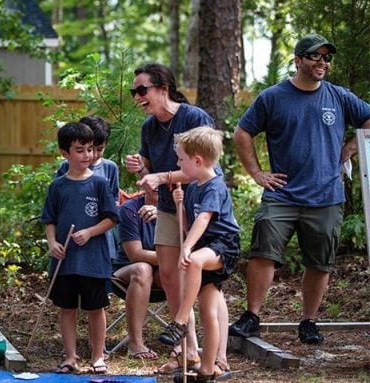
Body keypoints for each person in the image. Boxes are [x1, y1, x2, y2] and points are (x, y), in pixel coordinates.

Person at [230, 33, 370, 345]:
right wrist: (256, 173)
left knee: (319, 262)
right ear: (298, 60)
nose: (322, 62)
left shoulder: (339, 96)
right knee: (263, 251)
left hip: (326, 195)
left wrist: (349, 148)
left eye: (326, 57)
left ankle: (309, 321)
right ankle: (251, 316)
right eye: (315, 56)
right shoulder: (273, 97)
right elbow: (242, 133)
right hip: (282, 194)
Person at [126, 63, 218, 371]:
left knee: (200, 282)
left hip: (197, 208)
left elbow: (204, 169)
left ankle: (214, 355)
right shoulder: (149, 127)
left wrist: (161, 176)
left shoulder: (194, 118)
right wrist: (141, 168)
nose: (137, 96)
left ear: (163, 89)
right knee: (169, 279)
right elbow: (150, 168)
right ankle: (185, 350)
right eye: (134, 91)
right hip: (167, 207)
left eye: (142, 90)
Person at [155, 127, 238, 383]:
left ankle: (180, 318)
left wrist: (187, 248)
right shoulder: (192, 189)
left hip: (223, 245)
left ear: (198, 161)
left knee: (194, 260)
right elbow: (189, 226)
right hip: (203, 243)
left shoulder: (214, 186)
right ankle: (207, 369)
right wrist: (180, 205)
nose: (177, 164)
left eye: (181, 159)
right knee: (208, 314)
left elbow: (204, 219)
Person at [41, 122, 119, 374]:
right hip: (65, 260)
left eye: (89, 149)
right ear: (65, 153)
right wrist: (52, 243)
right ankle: (70, 357)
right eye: (80, 150)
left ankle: (98, 356)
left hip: (94, 259)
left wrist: (89, 232)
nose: (87, 155)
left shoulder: (99, 183)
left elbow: (111, 218)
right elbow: (49, 219)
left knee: (96, 308)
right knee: (67, 308)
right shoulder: (57, 185)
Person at [111, 188, 159, 359]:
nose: (158, 186)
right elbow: (135, 255)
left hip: (164, 273)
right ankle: (135, 344)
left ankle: (183, 346)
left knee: (182, 271)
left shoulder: (179, 209)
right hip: (127, 272)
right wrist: (171, 258)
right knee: (143, 268)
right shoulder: (130, 209)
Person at [56, 115, 120, 202]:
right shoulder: (66, 166)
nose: (93, 154)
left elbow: (114, 199)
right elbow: (57, 197)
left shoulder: (110, 168)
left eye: (99, 149)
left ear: (106, 145)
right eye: (90, 149)